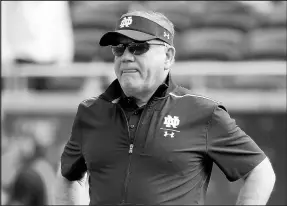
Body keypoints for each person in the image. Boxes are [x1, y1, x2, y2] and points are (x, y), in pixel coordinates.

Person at [54, 10, 276, 205]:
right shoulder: (91, 112)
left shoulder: (202, 112)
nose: (126, 57)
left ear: (168, 57)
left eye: (138, 47)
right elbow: (66, 175)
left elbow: (260, 172)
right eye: (119, 49)